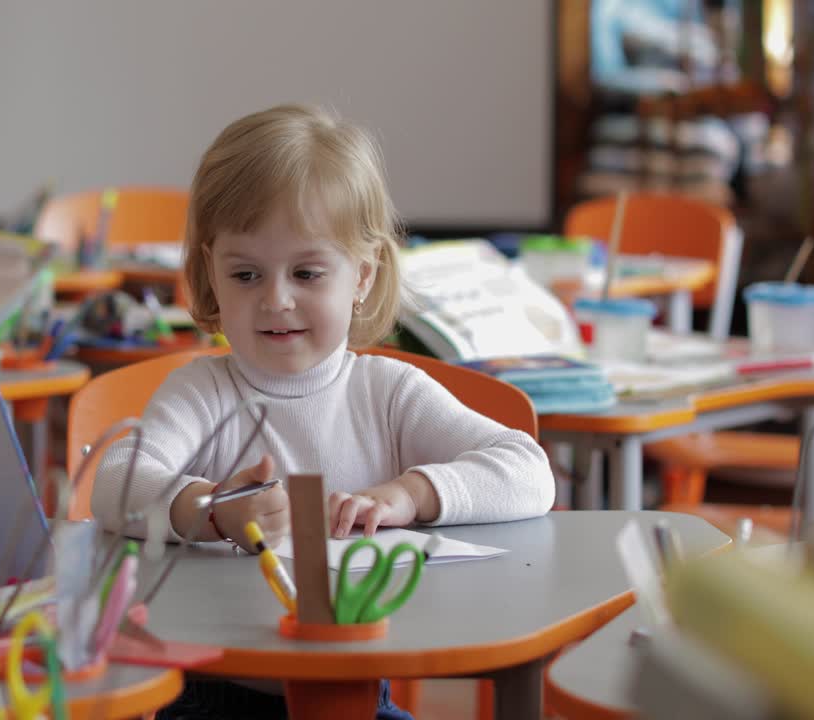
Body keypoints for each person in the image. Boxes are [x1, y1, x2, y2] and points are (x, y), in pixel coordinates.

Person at [91, 104, 555, 719]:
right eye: (246, 274)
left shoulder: (387, 392)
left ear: (362, 275)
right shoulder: (203, 390)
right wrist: (208, 511)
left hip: (359, 688)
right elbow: (113, 480)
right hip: (214, 693)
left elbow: (528, 470)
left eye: (307, 272)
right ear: (211, 272)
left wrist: (409, 494)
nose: (275, 300)